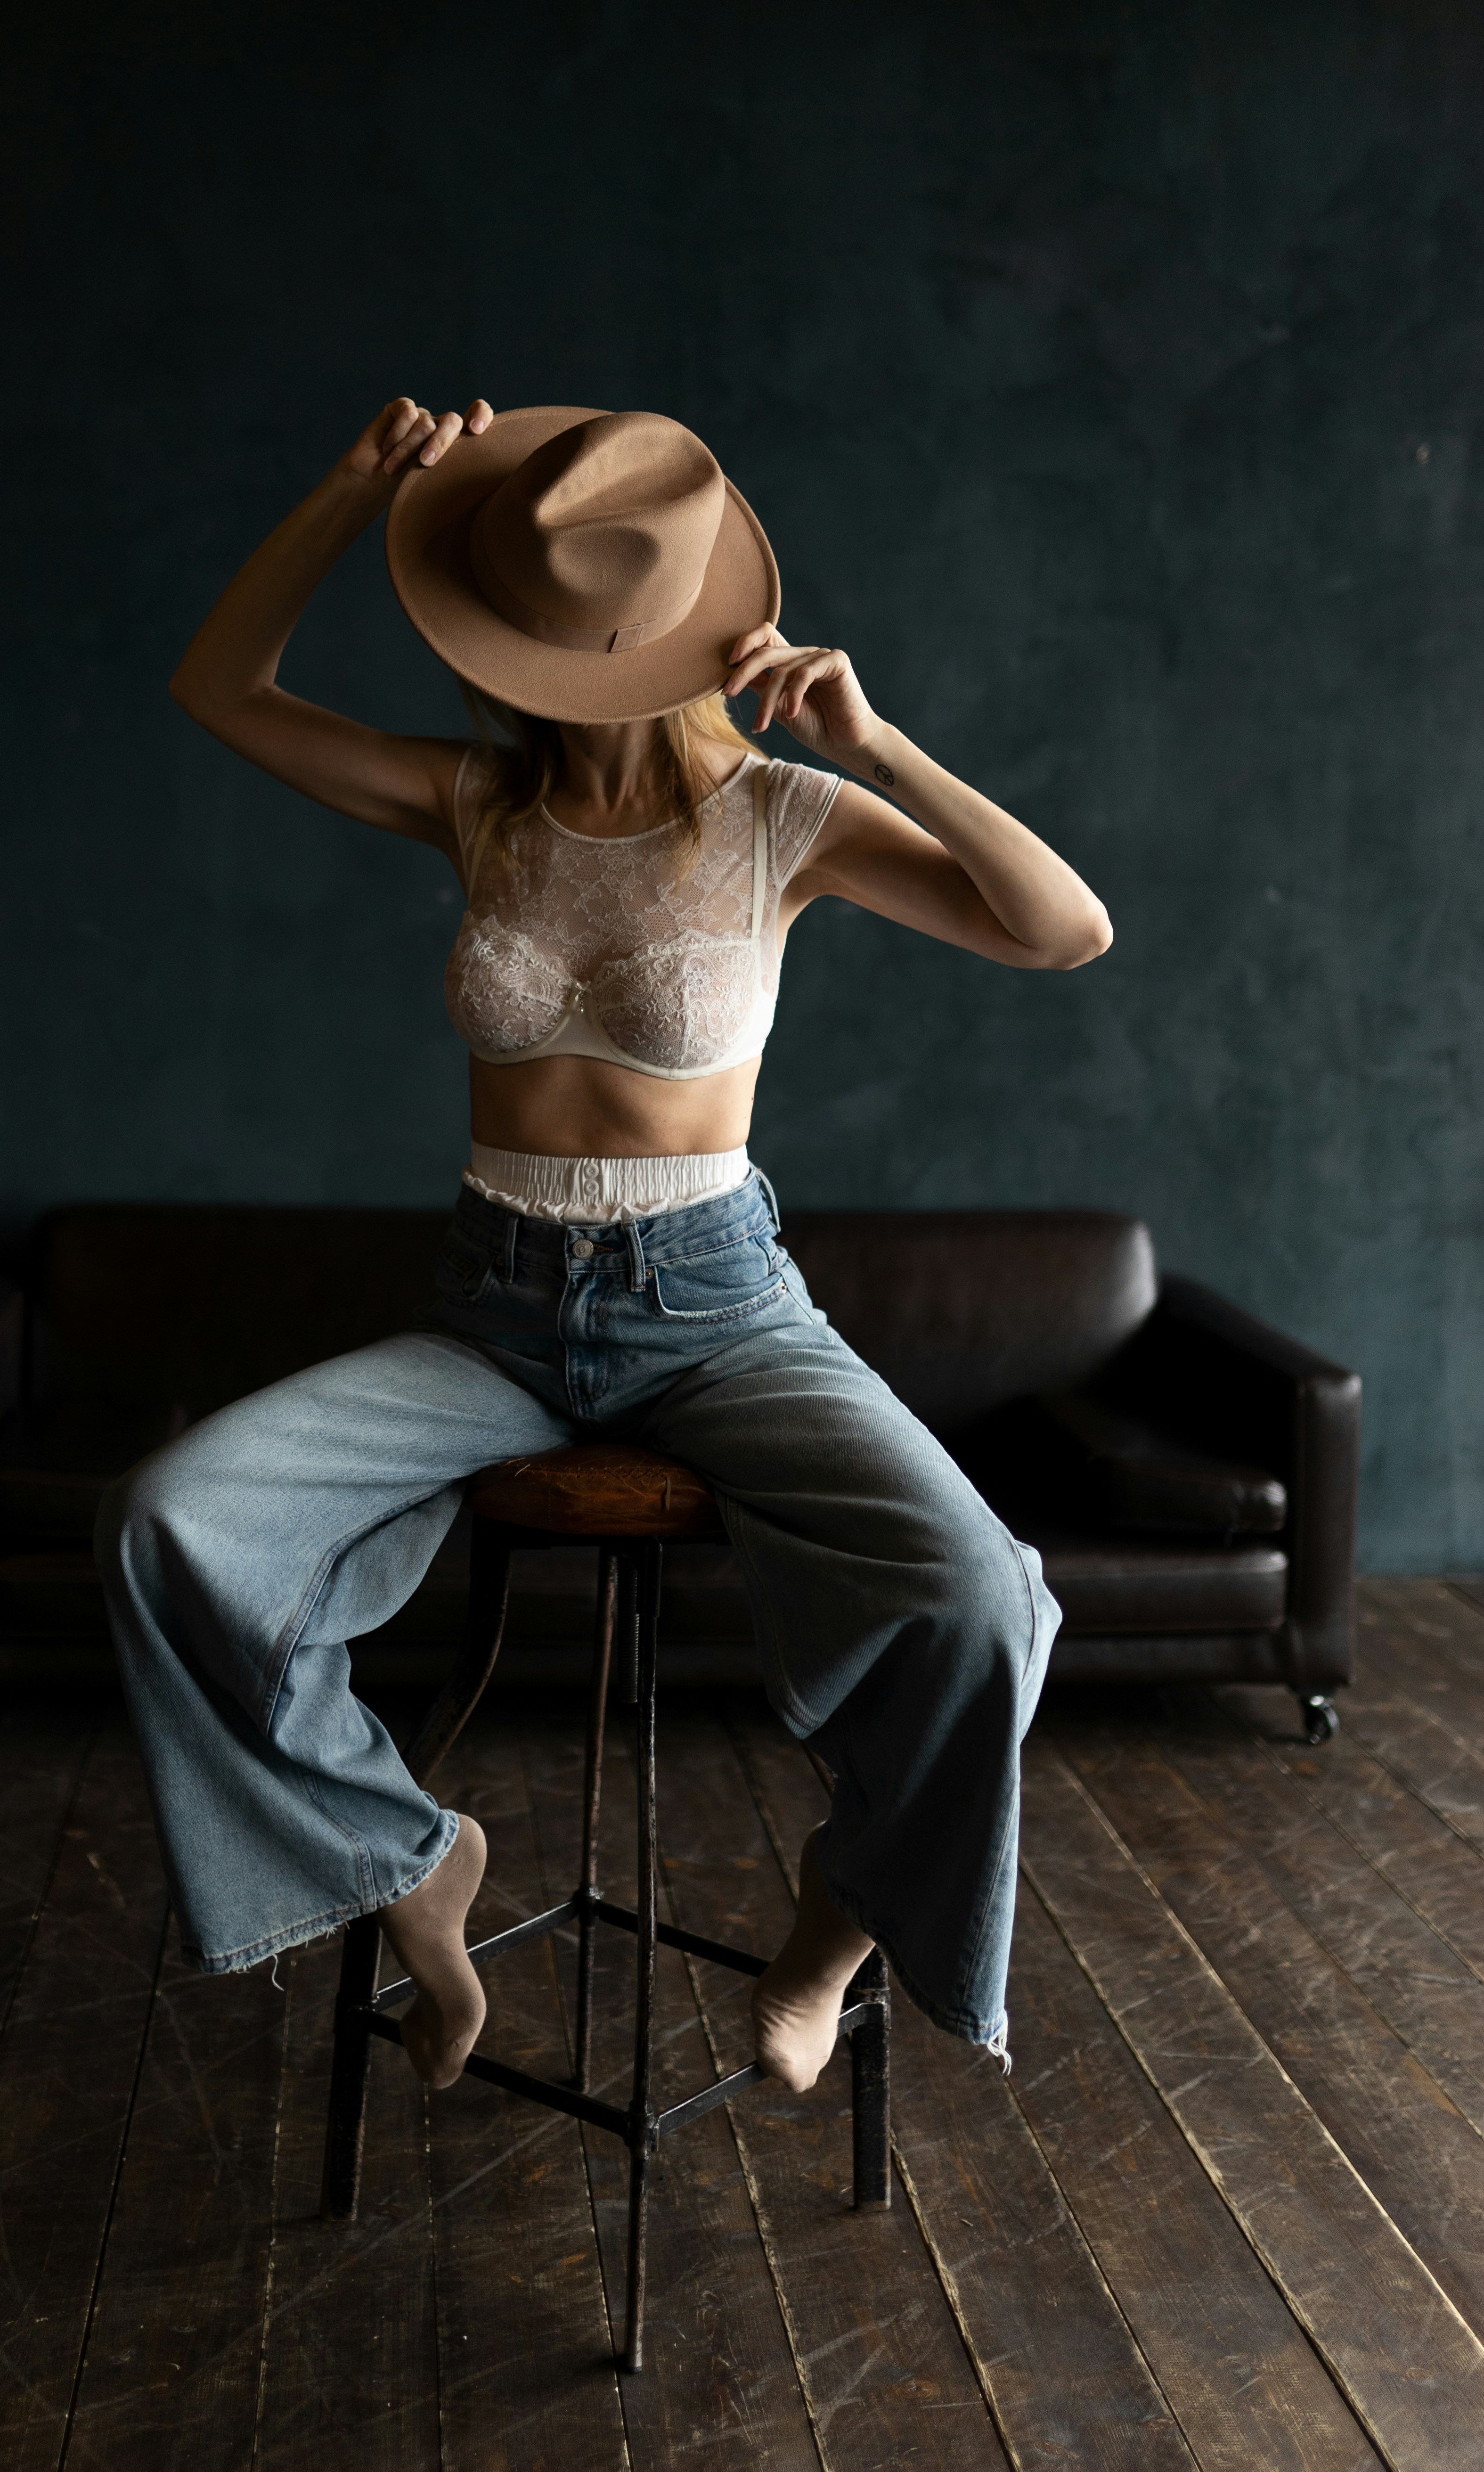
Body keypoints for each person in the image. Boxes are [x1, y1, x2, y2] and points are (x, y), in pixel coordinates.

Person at [98, 393, 1109, 2094]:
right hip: (493, 1313)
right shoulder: (472, 798)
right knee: (171, 1523)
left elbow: (1063, 929)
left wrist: (882, 747)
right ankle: (410, 1858)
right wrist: (354, 493)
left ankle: (844, 1911)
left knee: (981, 1602)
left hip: (717, 1308)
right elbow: (220, 693)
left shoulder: (787, 817)